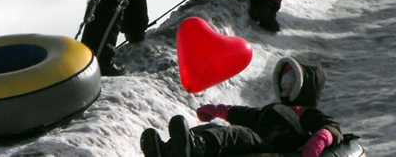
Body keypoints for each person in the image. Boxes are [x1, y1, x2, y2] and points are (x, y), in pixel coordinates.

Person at [140, 57, 344, 157]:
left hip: (278, 150)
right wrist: (218, 110)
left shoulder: (306, 113)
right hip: (260, 141)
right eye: (283, 85)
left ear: (303, 89)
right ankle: (172, 149)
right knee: (216, 130)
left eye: (290, 87)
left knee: (240, 134)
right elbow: (247, 115)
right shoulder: (273, 110)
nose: (284, 91)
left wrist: (316, 143)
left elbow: (330, 128)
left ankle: (197, 147)